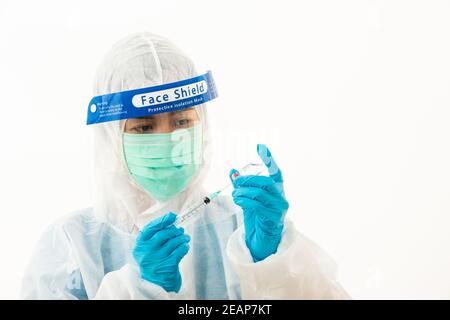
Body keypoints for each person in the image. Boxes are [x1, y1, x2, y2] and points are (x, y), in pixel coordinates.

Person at [21, 32, 349, 299]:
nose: (168, 138)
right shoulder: (71, 248)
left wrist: (271, 263)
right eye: (144, 127)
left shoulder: (242, 227)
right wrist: (139, 289)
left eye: (181, 120)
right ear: (110, 137)